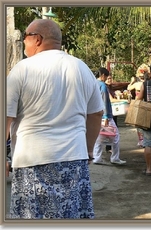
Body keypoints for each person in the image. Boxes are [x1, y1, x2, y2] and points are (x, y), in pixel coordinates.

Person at [6, 19, 104, 219]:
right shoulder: (82, 68)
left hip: (31, 161)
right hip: (74, 160)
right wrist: (87, 150)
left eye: (26, 37)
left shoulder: (22, 70)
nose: (24, 41)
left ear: (38, 39)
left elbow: (6, 118)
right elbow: (95, 113)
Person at [93, 67, 126, 165]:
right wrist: (106, 116)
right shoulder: (103, 86)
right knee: (115, 137)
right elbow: (105, 101)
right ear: (103, 76)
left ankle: (96, 157)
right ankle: (115, 158)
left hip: (95, 115)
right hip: (105, 115)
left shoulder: (93, 84)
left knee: (98, 137)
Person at [127, 64, 150, 147]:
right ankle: (146, 140)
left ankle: (141, 140)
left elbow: (129, 88)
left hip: (138, 104)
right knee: (146, 123)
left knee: (139, 123)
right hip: (147, 103)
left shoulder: (137, 84)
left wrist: (132, 81)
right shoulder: (148, 83)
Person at [105, 74, 118, 153]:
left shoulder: (110, 87)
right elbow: (111, 99)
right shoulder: (105, 87)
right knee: (112, 131)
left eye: (111, 78)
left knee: (111, 130)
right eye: (108, 78)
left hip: (112, 111)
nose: (110, 80)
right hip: (108, 112)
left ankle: (109, 146)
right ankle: (109, 147)